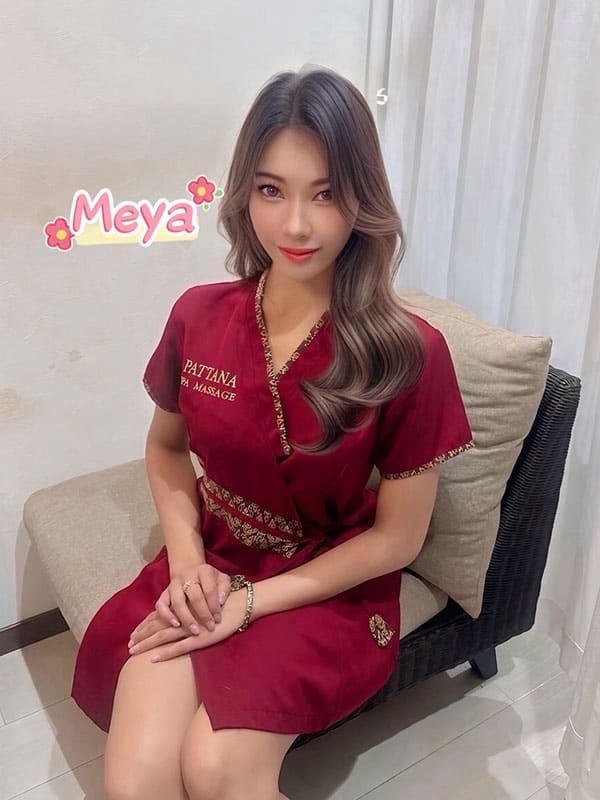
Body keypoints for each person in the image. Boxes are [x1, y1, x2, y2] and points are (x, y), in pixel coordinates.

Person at [70, 64, 475, 800]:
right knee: (137, 783)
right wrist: (189, 566)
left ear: (363, 200)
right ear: (243, 195)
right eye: (271, 190)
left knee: (215, 769)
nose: (295, 225)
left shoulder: (409, 352)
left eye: (326, 193)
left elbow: (398, 539)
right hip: (213, 556)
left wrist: (252, 604)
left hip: (328, 579)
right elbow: (166, 447)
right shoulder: (199, 314)